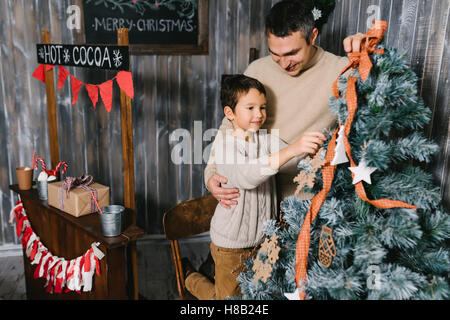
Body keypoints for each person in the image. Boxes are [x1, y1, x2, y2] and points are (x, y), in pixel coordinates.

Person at [205, 0, 364, 208]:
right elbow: (229, 125)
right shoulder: (257, 70)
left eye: (291, 53)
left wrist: (368, 49)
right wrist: (211, 172)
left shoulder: (342, 70)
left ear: (313, 36)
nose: (283, 63)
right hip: (254, 199)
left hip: (307, 203)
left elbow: (385, 87)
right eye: (275, 54)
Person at [184, 75, 326, 300]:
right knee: (227, 301)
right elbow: (246, 176)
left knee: (255, 296)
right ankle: (191, 278)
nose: (259, 114)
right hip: (231, 246)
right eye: (250, 108)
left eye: (262, 107)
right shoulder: (225, 146)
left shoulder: (265, 140)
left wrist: (315, 151)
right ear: (230, 113)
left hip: (262, 242)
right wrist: (292, 149)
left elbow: (292, 161)